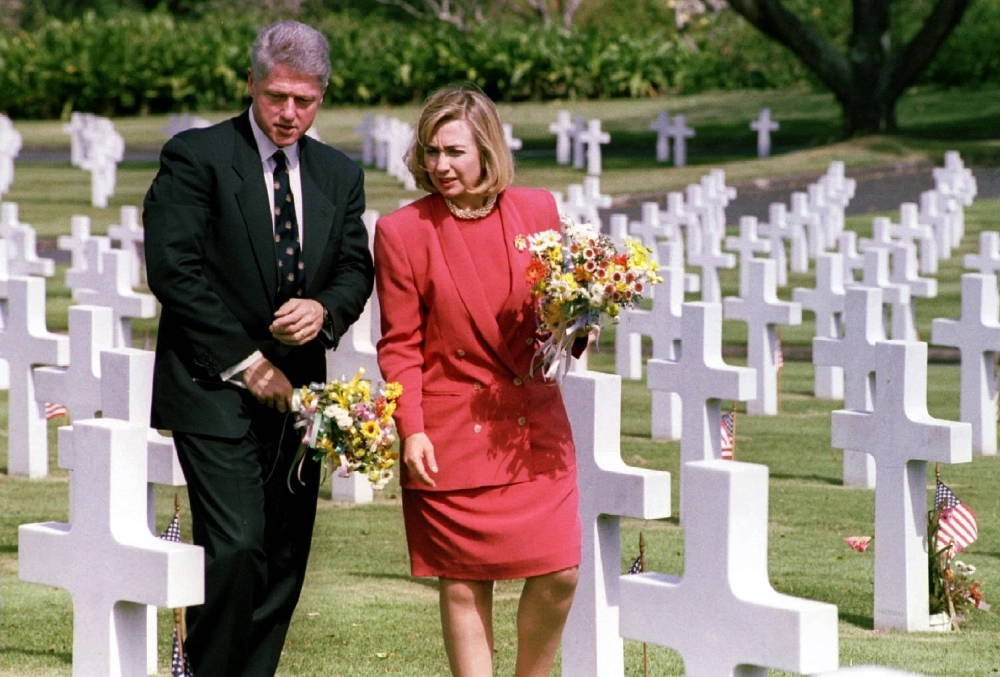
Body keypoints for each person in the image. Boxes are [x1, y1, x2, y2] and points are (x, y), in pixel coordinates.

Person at [143, 21, 373, 677]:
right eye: (277, 96)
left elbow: (356, 267)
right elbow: (173, 267)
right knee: (238, 545)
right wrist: (249, 362)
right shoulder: (198, 157)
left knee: (282, 559)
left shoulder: (338, 173)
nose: (290, 113)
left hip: (301, 396)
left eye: (305, 99)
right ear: (251, 84)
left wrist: (325, 309)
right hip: (210, 385)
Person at [374, 84, 581, 677]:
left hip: (534, 431)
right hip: (451, 435)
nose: (441, 165)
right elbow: (400, 344)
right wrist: (410, 429)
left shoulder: (538, 209)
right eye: (431, 151)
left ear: (487, 151)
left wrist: (582, 318)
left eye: (455, 152)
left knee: (561, 570)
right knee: (464, 583)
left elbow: (556, 313)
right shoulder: (403, 232)